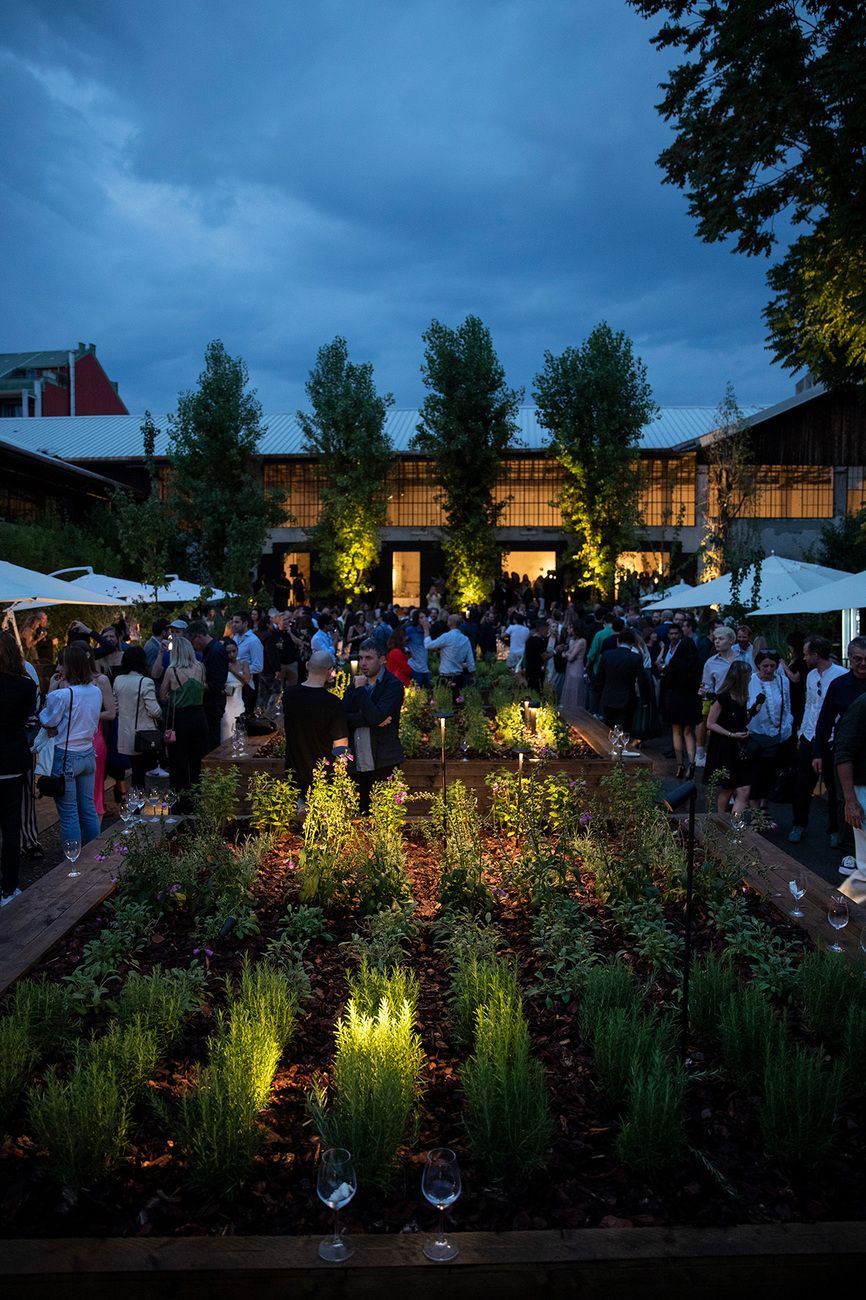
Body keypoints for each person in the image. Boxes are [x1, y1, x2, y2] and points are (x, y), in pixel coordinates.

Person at [39, 642, 103, 848]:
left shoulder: (63, 695)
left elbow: (47, 719)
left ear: (70, 666)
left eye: (61, 664)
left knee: (68, 814)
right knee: (88, 809)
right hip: (88, 753)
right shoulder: (96, 691)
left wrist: (51, 689)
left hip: (66, 756)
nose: (58, 668)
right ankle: (95, 855)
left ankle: (73, 859)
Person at [788, 636, 848, 844]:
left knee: (833, 786)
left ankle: (835, 830)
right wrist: (802, 733)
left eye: (806, 655)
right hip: (810, 736)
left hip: (831, 738)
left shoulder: (841, 675)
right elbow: (810, 705)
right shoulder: (811, 675)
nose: (803, 658)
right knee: (803, 784)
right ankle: (799, 824)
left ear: (815, 655)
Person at [812, 635, 866, 850]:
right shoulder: (839, 685)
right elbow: (825, 721)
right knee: (844, 797)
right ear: (849, 658)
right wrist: (818, 752)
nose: (863, 663)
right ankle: (846, 845)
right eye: (858, 659)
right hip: (846, 750)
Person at [343, 638, 405, 814]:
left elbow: (375, 715)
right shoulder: (354, 685)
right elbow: (342, 717)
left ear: (382, 659)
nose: (363, 663)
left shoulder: (393, 685)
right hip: (357, 762)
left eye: (369, 658)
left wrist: (361, 691)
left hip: (384, 761)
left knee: (385, 815)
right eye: (361, 658)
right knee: (359, 815)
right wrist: (373, 719)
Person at [0, 631, 39, 906]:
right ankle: (9, 887)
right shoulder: (26, 685)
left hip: (11, 757)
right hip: (13, 759)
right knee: (11, 824)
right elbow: (31, 719)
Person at [281, 650, 349, 797]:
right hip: (323, 776)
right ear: (330, 671)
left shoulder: (289, 695)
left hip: (294, 773)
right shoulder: (333, 702)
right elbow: (340, 743)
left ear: (307, 666)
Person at [160, 636, 208, 809]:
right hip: (199, 717)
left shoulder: (171, 670)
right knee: (197, 761)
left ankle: (180, 802)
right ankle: (197, 800)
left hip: (180, 718)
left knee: (178, 761)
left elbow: (163, 695)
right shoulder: (200, 667)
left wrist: (172, 695)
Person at [704, 661, 755, 816]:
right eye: (748, 675)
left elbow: (739, 721)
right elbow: (710, 723)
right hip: (725, 747)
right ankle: (721, 820)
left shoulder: (742, 698)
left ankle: (734, 823)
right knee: (728, 789)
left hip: (738, 748)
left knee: (744, 789)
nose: (750, 678)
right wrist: (731, 734)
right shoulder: (723, 698)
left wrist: (750, 717)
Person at [746, 651, 793, 813]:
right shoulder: (750, 680)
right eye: (765, 666)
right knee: (755, 774)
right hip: (755, 734)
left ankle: (764, 807)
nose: (769, 670)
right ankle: (754, 811)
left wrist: (787, 724)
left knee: (771, 774)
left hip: (776, 735)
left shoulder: (782, 681)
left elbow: (787, 705)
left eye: (772, 666)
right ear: (758, 665)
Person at [114, 646, 164, 788]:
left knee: (136, 772)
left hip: (125, 734)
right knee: (140, 773)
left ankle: (135, 798)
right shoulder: (145, 682)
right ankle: (138, 799)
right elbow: (154, 711)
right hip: (144, 735)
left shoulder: (118, 680)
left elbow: (116, 707)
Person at [696, 626, 744, 767]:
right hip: (721, 704)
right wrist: (703, 691)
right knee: (721, 740)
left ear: (731, 640)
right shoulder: (711, 662)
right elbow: (707, 685)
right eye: (715, 639)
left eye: (721, 639)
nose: (717, 642)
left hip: (741, 702)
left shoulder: (743, 658)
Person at [834, 693, 866, 903]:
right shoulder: (862, 705)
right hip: (863, 790)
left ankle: (839, 909)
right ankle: (839, 909)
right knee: (865, 871)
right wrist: (851, 800)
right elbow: (843, 753)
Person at [659, 625, 703, 777]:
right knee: (689, 732)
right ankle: (691, 763)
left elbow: (668, 682)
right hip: (692, 700)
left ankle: (680, 765)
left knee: (676, 732)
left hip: (676, 699)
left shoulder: (674, 663)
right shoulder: (698, 663)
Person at [187, 620, 229, 752]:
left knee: (211, 742)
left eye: (192, 643)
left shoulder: (216, 651)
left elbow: (217, 684)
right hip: (209, 703)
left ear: (198, 637)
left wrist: (193, 686)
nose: (193, 647)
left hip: (212, 704)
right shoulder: (211, 650)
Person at [595, 628, 645, 728]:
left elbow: (599, 677)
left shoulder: (607, 655)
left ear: (618, 641)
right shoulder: (635, 658)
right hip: (627, 697)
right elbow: (642, 680)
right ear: (632, 643)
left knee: (608, 726)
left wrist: (599, 694)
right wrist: (645, 699)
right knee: (624, 727)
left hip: (608, 695)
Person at [420, 612, 475, 693]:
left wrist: (426, 630)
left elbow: (429, 645)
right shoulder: (465, 639)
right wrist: (472, 675)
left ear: (450, 623)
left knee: (444, 698)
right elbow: (470, 660)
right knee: (457, 699)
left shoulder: (447, 636)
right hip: (459, 676)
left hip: (446, 675)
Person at [231, 610, 264, 713]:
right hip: (235, 683)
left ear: (245, 623)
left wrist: (241, 670)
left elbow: (258, 666)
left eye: (237, 622)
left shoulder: (253, 641)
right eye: (233, 622)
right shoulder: (235, 638)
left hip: (247, 684)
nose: (233, 625)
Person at [221, 638, 250, 742]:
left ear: (237, 650)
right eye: (229, 652)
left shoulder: (243, 664)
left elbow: (246, 679)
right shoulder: (222, 665)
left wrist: (232, 670)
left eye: (234, 651)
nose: (232, 654)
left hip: (238, 703)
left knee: (240, 731)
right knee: (226, 732)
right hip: (226, 705)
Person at [559, 627, 587, 714]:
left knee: (575, 690)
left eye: (571, 628)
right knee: (569, 688)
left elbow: (570, 657)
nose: (569, 630)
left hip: (576, 667)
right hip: (570, 667)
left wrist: (566, 654)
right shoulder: (574, 641)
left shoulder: (582, 641)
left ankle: (575, 713)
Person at [405, 612, 431, 688]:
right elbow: (401, 641)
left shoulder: (426, 631)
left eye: (425, 617)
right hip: (415, 667)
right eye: (421, 617)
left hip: (424, 667)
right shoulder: (411, 630)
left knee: (427, 691)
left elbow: (428, 644)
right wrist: (407, 651)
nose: (424, 619)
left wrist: (426, 630)